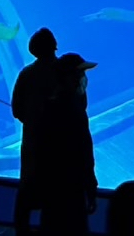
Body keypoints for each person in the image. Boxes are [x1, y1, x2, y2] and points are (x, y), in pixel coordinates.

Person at [30, 52, 100, 234]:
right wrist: (90, 184)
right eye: (79, 74)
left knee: (52, 225)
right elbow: (83, 150)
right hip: (71, 184)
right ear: (69, 77)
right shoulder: (72, 109)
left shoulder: (49, 106)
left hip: (52, 184)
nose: (83, 79)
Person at [13, 28, 62, 235]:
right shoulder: (64, 72)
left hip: (33, 142)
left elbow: (16, 109)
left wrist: (33, 122)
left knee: (27, 190)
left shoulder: (26, 74)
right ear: (54, 46)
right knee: (56, 193)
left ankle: (21, 231)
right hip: (59, 144)